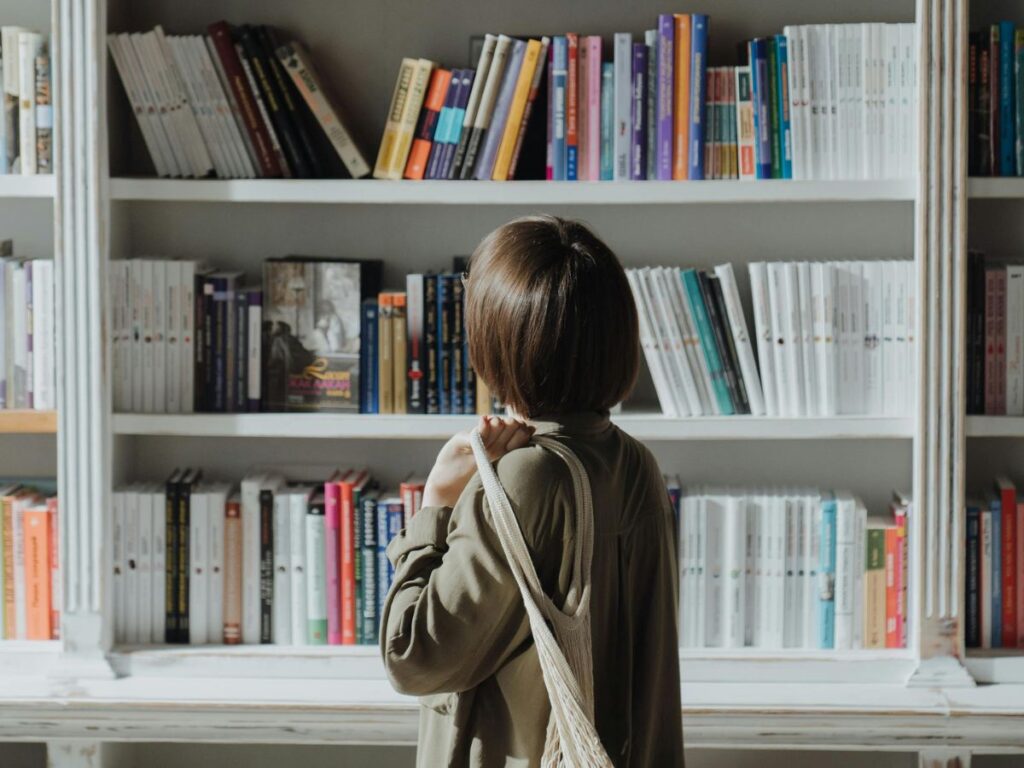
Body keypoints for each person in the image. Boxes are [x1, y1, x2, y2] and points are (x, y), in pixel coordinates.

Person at [380, 215, 683, 767]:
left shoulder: (524, 477)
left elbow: (413, 657)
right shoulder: (635, 462)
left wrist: (436, 506)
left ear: (498, 340)